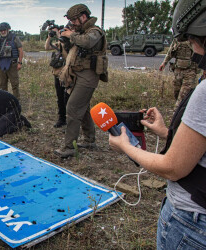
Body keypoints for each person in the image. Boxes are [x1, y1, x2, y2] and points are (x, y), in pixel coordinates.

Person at [109, 0, 206, 248]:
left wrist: (127, 147)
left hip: (192, 222)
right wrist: (165, 132)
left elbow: (173, 168)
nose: (192, 47)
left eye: (192, 40)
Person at [54, 4, 108, 158]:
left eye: (75, 20)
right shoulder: (80, 33)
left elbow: (87, 42)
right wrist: (64, 36)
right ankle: (90, 140)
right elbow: (72, 45)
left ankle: (69, 147)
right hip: (78, 74)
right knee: (83, 108)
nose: (74, 23)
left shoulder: (94, 32)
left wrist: (71, 34)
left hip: (89, 76)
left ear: (83, 17)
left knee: (72, 107)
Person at [44, 22, 73, 128]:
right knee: (60, 98)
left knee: (68, 99)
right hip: (57, 74)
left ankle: (70, 120)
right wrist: (49, 37)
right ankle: (62, 119)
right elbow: (47, 47)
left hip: (67, 75)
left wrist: (59, 34)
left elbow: (66, 48)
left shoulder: (69, 44)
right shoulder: (58, 44)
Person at [159, 38, 198, 107]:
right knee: (176, 91)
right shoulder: (178, 38)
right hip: (178, 70)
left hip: (190, 71)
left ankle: (177, 112)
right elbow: (170, 51)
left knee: (183, 96)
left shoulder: (196, 38)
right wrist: (164, 63)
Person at [0, 22, 24, 99]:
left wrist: (19, 63)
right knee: (2, 84)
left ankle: (16, 100)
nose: (3, 32)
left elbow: (20, 50)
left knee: (15, 84)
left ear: (8, 29)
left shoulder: (14, 38)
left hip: (12, 64)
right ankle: (4, 100)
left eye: (4, 30)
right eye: (1, 30)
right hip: (2, 64)